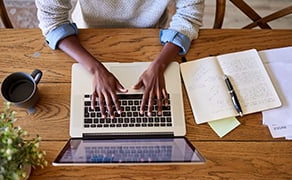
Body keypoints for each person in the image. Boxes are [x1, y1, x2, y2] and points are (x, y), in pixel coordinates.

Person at [35, 0, 204, 118]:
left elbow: (189, 14)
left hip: (151, 35)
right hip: (89, 35)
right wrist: (96, 69)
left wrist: (160, 65)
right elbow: (52, 20)